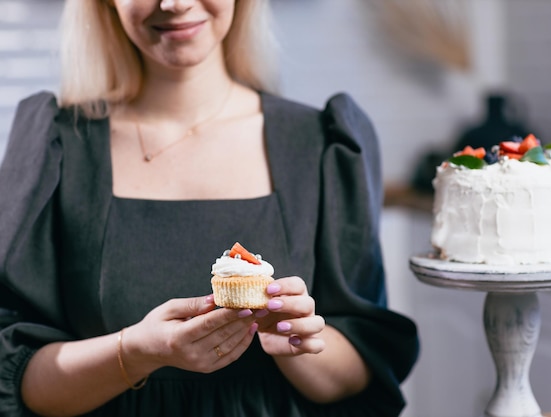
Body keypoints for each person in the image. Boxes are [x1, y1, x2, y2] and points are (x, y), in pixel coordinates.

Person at [0, 0, 419, 416]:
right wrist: (136, 352)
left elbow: (358, 376)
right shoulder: (55, 146)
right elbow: (18, 380)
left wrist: (294, 345)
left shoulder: (322, 144)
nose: (175, 4)